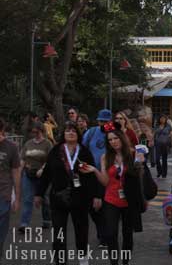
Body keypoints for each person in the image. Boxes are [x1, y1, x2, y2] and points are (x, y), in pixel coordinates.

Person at [35, 120, 102, 265]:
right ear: (63, 134)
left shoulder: (84, 151)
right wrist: (38, 194)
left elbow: (92, 176)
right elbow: (47, 174)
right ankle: (60, 261)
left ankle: (83, 259)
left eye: (73, 130)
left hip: (80, 198)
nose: (70, 133)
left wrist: (97, 195)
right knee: (59, 232)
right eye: (67, 131)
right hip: (58, 197)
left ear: (78, 134)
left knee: (82, 229)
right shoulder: (55, 151)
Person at [81, 126, 145, 265]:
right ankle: (114, 262)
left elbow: (139, 178)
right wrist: (95, 171)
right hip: (111, 199)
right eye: (110, 140)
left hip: (129, 199)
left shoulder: (133, 154)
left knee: (127, 234)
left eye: (115, 138)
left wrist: (140, 164)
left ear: (121, 138)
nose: (113, 141)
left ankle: (125, 262)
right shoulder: (105, 157)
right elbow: (105, 181)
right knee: (110, 233)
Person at [82, 109, 112, 248]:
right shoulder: (91, 132)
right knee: (93, 208)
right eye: (101, 121)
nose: (103, 124)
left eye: (106, 122)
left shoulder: (115, 134)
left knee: (106, 206)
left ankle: (105, 236)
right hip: (92, 174)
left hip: (109, 175)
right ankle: (103, 233)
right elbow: (82, 150)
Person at [19, 122, 53, 232]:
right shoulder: (28, 143)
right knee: (27, 199)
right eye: (33, 132)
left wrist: (43, 169)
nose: (34, 134)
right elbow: (23, 159)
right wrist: (19, 172)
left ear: (41, 131)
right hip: (28, 174)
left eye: (36, 132)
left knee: (45, 198)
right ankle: (24, 223)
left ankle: (47, 220)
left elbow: (50, 160)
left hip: (42, 175)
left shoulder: (47, 144)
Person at [0, 118, 21, 262]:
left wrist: (17, 198)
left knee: (1, 231)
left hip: (4, 194)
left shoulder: (11, 147)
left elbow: (16, 173)